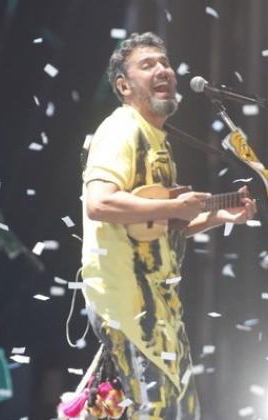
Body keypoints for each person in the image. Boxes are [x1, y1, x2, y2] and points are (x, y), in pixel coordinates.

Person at [80, 33, 256, 419]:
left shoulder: (157, 138)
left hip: (159, 305)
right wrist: (177, 204)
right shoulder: (122, 129)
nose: (163, 70)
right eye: (148, 65)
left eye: (165, 63)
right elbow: (99, 202)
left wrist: (218, 215)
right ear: (124, 86)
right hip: (127, 299)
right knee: (156, 410)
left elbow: (156, 224)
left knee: (181, 411)